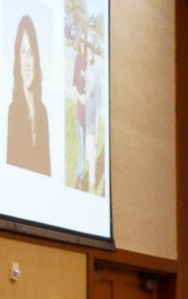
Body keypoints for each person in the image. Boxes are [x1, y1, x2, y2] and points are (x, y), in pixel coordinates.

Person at [6, 14, 50, 176]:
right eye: (22, 51)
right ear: (17, 57)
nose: (26, 61)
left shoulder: (43, 113)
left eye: (30, 53)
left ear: (36, 58)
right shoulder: (13, 111)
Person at [83, 38, 102, 193]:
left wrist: (97, 130)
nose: (88, 54)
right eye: (86, 51)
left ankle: (92, 184)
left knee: (91, 153)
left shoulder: (95, 75)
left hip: (91, 124)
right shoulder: (86, 71)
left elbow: (98, 104)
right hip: (83, 120)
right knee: (88, 154)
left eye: (90, 51)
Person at [72, 34, 87, 186]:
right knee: (81, 147)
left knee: (89, 149)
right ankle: (79, 178)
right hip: (80, 112)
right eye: (81, 41)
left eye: (85, 41)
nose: (83, 43)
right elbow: (73, 86)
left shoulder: (90, 63)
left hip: (89, 113)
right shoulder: (78, 61)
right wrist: (81, 98)